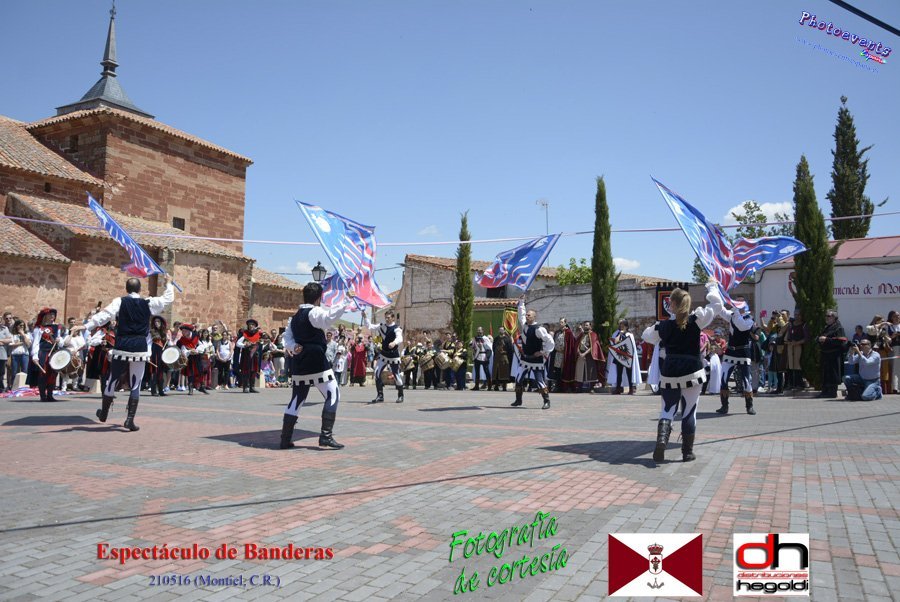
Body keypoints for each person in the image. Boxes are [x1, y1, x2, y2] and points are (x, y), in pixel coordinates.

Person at [74, 277, 176, 429]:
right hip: (139, 346)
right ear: (139, 289)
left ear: (126, 289)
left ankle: (104, 413)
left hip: (122, 344)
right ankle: (129, 420)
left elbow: (105, 315)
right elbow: (167, 299)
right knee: (136, 384)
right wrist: (169, 283)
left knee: (112, 379)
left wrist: (86, 326)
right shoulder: (147, 302)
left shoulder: (119, 301)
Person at [641, 282, 721, 462]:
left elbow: (646, 336)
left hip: (670, 371)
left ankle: (662, 441)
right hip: (692, 371)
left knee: (667, 410)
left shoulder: (663, 326)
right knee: (689, 411)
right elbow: (717, 305)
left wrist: (662, 328)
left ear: (672, 304)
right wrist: (712, 287)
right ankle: (687, 452)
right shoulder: (697, 319)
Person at [279, 283, 353, 449]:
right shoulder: (315, 312)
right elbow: (328, 318)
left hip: (299, 362)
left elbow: (287, 338)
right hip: (316, 360)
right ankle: (326, 436)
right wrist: (346, 300)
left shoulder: (294, 318)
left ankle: (285, 438)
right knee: (333, 394)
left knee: (297, 399)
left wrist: (293, 347)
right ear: (319, 298)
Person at [714, 297, 757, 415]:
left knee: (746, 381)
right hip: (731, 352)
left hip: (743, 353)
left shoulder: (749, 319)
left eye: (738, 303)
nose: (735, 305)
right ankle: (724, 406)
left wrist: (736, 311)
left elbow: (741, 326)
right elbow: (721, 310)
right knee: (723, 379)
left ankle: (749, 406)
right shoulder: (733, 315)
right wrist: (717, 297)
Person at [510, 296, 554, 409]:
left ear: (534, 317)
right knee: (518, 379)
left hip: (536, 360)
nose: (526, 316)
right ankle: (518, 400)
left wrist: (542, 352)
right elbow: (521, 314)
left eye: (529, 315)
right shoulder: (524, 324)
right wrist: (521, 302)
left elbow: (550, 341)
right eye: (527, 315)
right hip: (525, 358)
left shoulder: (539, 329)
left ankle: (546, 401)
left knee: (539, 381)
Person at [363, 309, 405, 403]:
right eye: (386, 317)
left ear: (393, 318)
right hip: (384, 354)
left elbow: (400, 338)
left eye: (388, 317)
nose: (386, 319)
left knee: (396, 375)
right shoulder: (382, 326)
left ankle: (400, 395)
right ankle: (380, 395)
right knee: (377, 372)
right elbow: (370, 326)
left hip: (393, 355)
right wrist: (365, 317)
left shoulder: (397, 328)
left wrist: (394, 343)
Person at [29, 308, 66, 401]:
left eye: (53, 315)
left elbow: (61, 342)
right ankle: (43, 396)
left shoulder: (57, 327)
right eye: (50, 314)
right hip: (43, 353)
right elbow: (36, 343)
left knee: (53, 374)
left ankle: (50, 395)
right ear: (45, 316)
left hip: (54, 353)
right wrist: (35, 356)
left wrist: (59, 340)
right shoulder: (39, 328)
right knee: (43, 374)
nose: (52, 316)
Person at [817, 309, 846, 399]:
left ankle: (832, 392)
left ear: (834, 317)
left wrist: (826, 339)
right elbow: (821, 337)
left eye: (829, 316)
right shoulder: (827, 327)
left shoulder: (839, 328)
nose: (826, 318)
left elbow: (841, 341)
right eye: (826, 316)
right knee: (825, 374)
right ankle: (824, 391)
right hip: (825, 354)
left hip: (834, 355)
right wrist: (819, 339)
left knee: (833, 374)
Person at [607, 320, 640, 394]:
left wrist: (623, 334)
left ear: (626, 326)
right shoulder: (617, 334)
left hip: (628, 356)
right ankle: (618, 388)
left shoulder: (629, 334)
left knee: (629, 373)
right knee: (619, 373)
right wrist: (620, 334)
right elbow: (615, 341)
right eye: (620, 325)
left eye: (623, 326)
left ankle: (631, 389)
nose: (621, 327)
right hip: (620, 356)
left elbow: (630, 346)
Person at [575, 321, 604, 392]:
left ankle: (591, 388)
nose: (585, 326)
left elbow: (593, 346)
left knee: (590, 372)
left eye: (587, 325)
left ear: (590, 326)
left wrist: (585, 353)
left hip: (589, 356)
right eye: (584, 325)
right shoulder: (581, 335)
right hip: (580, 355)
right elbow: (577, 344)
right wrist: (579, 352)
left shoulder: (593, 334)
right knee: (580, 372)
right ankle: (579, 387)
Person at [235, 319, 262, 393]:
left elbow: (261, 343)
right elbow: (238, 343)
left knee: (253, 371)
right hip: (246, 355)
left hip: (255, 356)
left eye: (253, 325)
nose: (251, 326)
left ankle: (252, 387)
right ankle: (245, 387)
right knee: (246, 371)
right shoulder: (244, 334)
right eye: (250, 325)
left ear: (255, 326)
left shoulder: (258, 334)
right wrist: (244, 345)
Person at [785, 309, 808, 391]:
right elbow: (788, 335)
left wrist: (797, 342)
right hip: (790, 346)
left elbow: (806, 338)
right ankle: (791, 384)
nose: (796, 316)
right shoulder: (791, 325)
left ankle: (799, 384)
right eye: (795, 315)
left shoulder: (803, 325)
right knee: (790, 365)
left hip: (799, 346)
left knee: (797, 364)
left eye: (798, 315)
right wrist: (788, 341)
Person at [148, 316, 170, 396]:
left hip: (161, 353)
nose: (156, 323)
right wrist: (148, 354)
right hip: (154, 353)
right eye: (155, 322)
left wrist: (168, 340)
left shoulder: (164, 333)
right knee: (155, 372)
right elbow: (148, 343)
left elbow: (166, 344)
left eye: (158, 322)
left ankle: (161, 390)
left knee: (161, 372)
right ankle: (153, 390)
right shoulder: (151, 332)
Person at [491, 327, 513, 391]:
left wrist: (506, 354)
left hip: (504, 357)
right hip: (497, 357)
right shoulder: (496, 339)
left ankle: (504, 386)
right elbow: (493, 347)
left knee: (504, 372)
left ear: (504, 331)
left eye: (502, 330)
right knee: (496, 372)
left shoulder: (507, 339)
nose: (501, 331)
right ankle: (496, 386)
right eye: (500, 330)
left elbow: (510, 349)